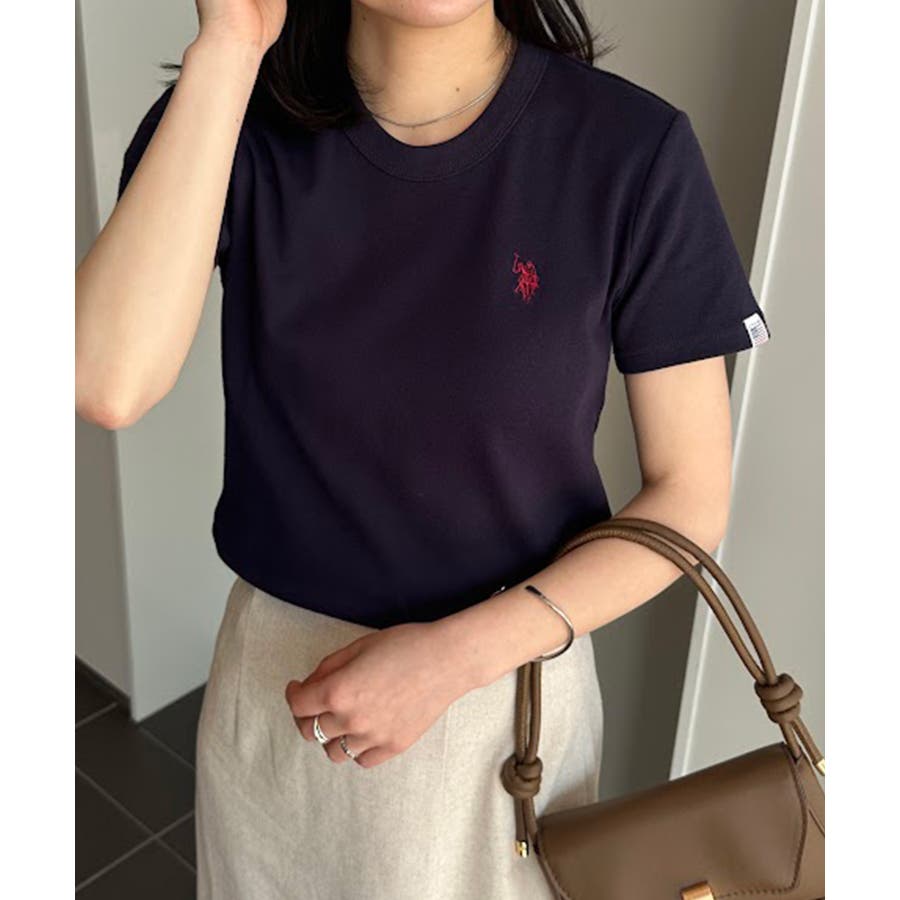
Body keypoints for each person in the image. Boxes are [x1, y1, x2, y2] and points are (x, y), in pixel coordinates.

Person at [74, 1, 773, 897]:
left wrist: (455, 659)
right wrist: (231, 45)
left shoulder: (630, 149)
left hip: (508, 702)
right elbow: (109, 381)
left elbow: (690, 498)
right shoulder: (234, 115)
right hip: (281, 696)